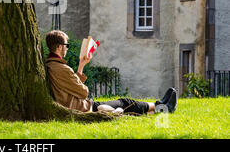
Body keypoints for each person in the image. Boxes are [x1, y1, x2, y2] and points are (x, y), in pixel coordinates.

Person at [45, 30, 177, 115]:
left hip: (80, 105)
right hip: (84, 108)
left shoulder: (52, 65)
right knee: (125, 102)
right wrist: (81, 82)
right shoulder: (61, 69)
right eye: (66, 46)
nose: (67, 49)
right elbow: (83, 92)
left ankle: (160, 106)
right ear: (59, 47)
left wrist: (81, 66)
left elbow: (71, 86)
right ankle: (162, 107)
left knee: (124, 105)